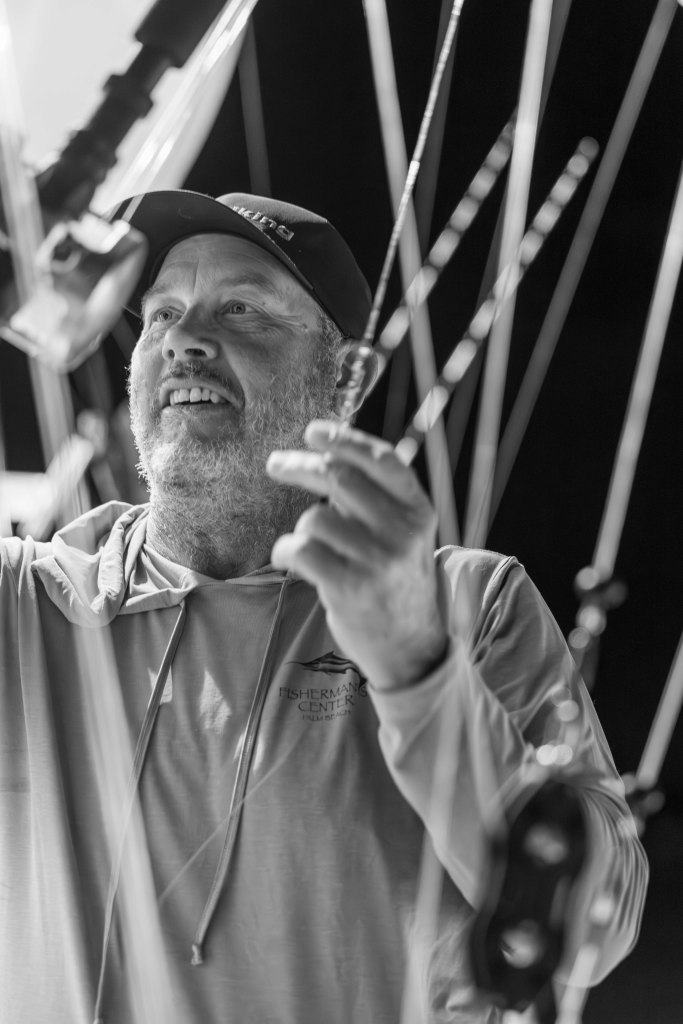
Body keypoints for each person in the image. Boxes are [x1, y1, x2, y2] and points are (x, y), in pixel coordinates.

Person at [0, 190, 647, 1024]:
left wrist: (417, 667)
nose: (184, 339)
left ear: (346, 378)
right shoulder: (26, 604)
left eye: (241, 308)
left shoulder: (467, 603)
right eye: (161, 313)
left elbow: (593, 934)